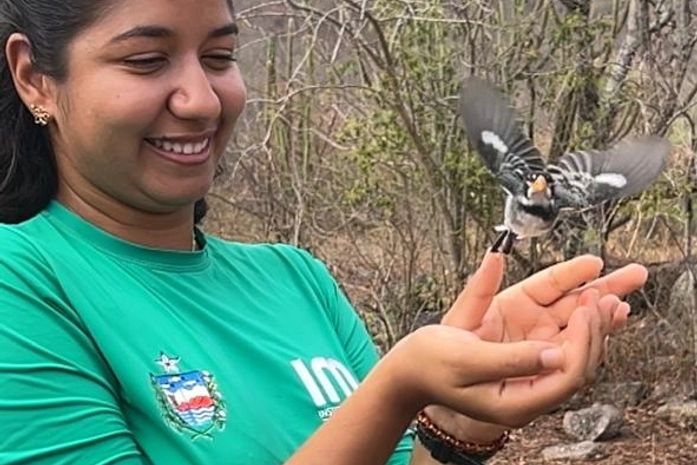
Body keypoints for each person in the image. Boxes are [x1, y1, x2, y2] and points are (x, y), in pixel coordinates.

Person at [0, 1, 648, 464]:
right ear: (34, 78)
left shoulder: (296, 278)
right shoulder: (22, 282)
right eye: (145, 60)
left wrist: (455, 420)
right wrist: (395, 390)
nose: (200, 98)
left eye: (221, 56)